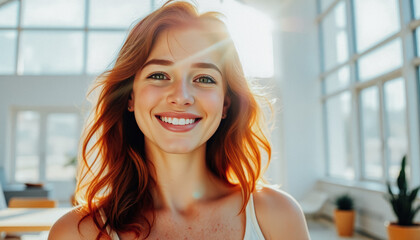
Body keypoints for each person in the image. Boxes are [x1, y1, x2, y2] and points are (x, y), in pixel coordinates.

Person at [48, 1, 310, 239]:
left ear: (225, 105)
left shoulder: (278, 217)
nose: (181, 97)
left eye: (204, 78)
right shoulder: (75, 233)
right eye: (159, 75)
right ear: (130, 96)